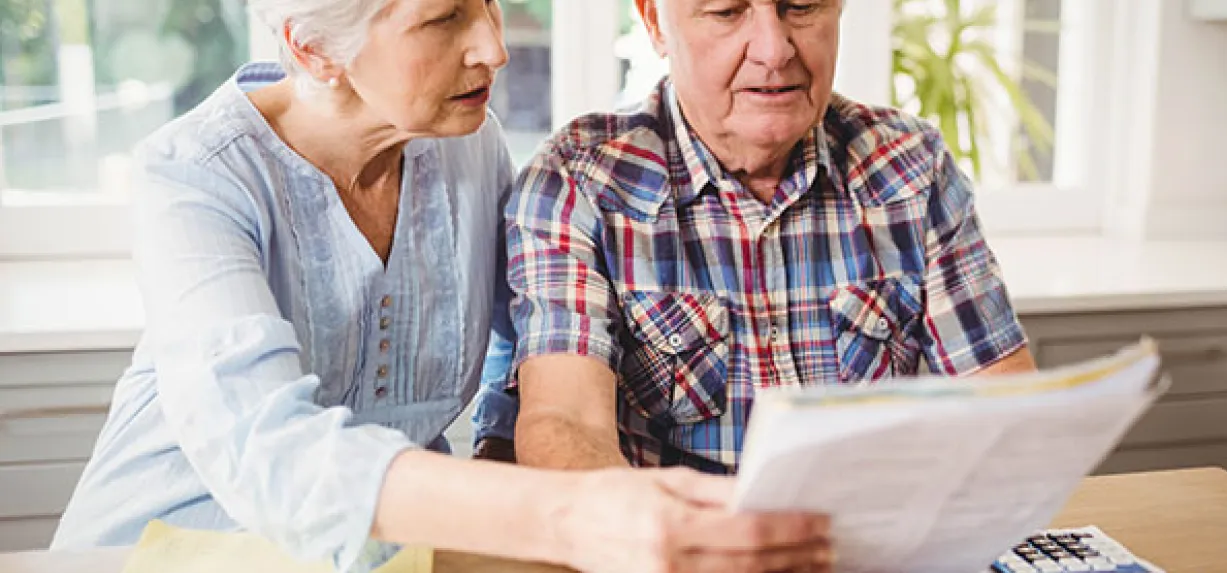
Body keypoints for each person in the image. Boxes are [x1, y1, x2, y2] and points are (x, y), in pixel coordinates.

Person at [51, 1, 834, 572]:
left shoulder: (466, 142)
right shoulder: (194, 175)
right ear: (315, 50)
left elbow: (516, 344)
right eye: (444, 19)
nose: (493, 48)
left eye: (489, 4)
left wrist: (503, 461)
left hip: (385, 556)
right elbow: (270, 454)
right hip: (171, 546)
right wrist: (568, 513)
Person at [480, 0, 1038, 474]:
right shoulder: (579, 181)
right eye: (727, 10)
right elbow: (566, 426)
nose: (775, 50)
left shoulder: (910, 168)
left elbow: (1003, 410)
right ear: (654, 22)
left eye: (802, 5)